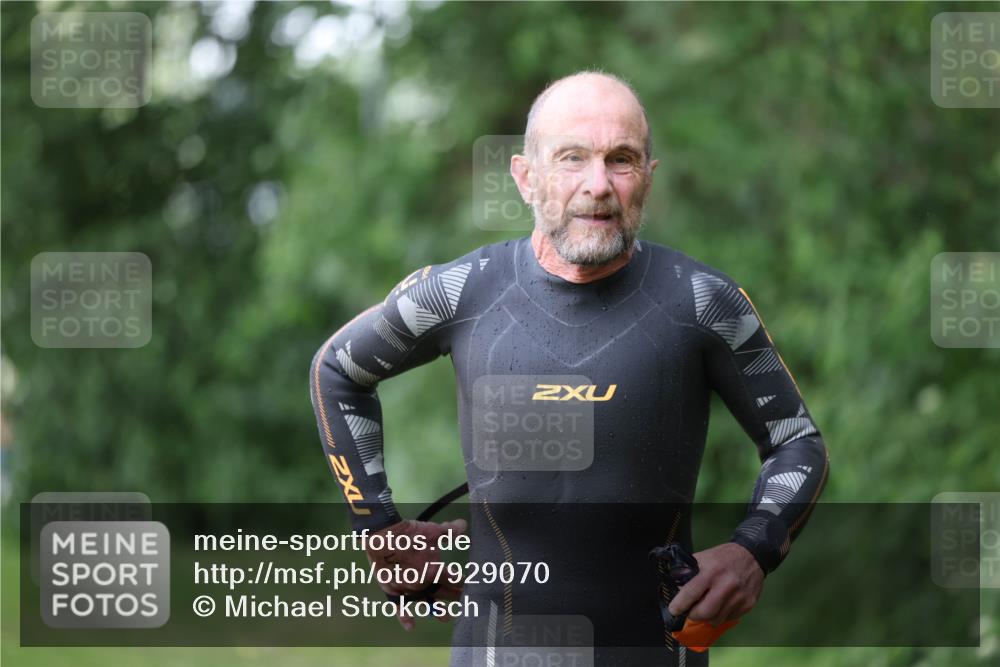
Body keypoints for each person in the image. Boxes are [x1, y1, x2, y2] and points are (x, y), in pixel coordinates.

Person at [310, 71, 829, 666]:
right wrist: (378, 528)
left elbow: (797, 443)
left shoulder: (702, 302)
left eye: (622, 160)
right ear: (525, 177)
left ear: (649, 179)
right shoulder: (459, 293)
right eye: (571, 158)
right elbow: (337, 372)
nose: (598, 185)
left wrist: (753, 550)